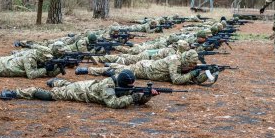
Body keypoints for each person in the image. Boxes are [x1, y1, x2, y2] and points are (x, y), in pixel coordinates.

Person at [2, 70, 159, 109]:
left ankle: (56, 81)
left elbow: (137, 98)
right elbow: (112, 103)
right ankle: (16, 92)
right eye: (129, 87)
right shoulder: (108, 86)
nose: (130, 89)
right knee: (49, 96)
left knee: (65, 84)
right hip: (79, 92)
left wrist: (147, 95)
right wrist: (133, 98)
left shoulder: (122, 84)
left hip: (88, 85)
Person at [76, 50, 212, 85]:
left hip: (148, 67)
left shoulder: (183, 62)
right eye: (192, 64)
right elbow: (176, 80)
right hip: (144, 69)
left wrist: (207, 73)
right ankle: (87, 69)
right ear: (187, 60)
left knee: (121, 67)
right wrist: (192, 74)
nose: (193, 66)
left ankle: (111, 64)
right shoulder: (174, 61)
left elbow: (191, 79)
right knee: (118, 71)